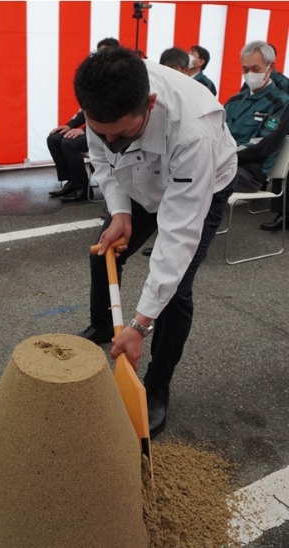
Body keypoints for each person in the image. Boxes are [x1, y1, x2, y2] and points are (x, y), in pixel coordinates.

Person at [72, 47, 238, 439]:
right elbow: (103, 160)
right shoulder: (104, 97)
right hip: (139, 176)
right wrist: (120, 212)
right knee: (105, 250)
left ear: (149, 103)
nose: (109, 140)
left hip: (201, 183)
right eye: (101, 130)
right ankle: (103, 327)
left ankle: (157, 383)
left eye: (122, 132)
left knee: (175, 289)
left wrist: (140, 324)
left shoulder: (193, 130)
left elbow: (178, 233)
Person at [224, 42, 289, 231]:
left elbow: (263, 145)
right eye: (245, 69)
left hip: (249, 172)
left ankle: (190, 242)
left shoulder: (280, 103)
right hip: (222, 163)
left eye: (256, 69)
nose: (250, 74)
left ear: (271, 67)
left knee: (198, 175)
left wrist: (223, 155)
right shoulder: (234, 101)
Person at [48, 37, 122, 202]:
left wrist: (82, 130)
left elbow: (112, 116)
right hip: (93, 129)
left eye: (105, 53)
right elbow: (85, 108)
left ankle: (82, 188)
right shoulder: (97, 76)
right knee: (54, 138)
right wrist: (69, 125)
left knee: (69, 143)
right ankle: (72, 182)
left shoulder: (119, 79)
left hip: (109, 132)